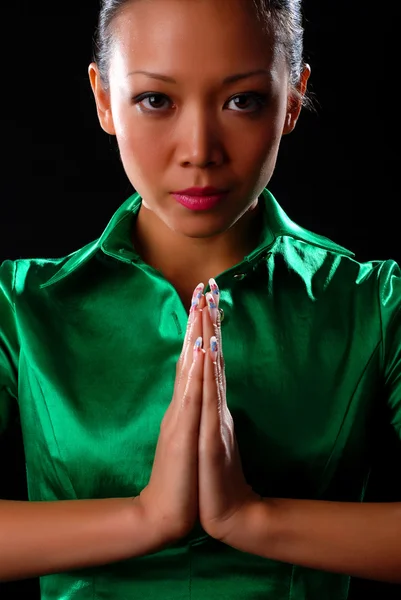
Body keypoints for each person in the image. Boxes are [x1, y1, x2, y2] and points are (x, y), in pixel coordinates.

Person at [0, 0, 400, 598]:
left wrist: (250, 517)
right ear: (104, 96)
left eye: (242, 100)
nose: (199, 150)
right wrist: (148, 517)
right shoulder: (23, 306)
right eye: (156, 100)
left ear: (292, 96)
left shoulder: (372, 304)